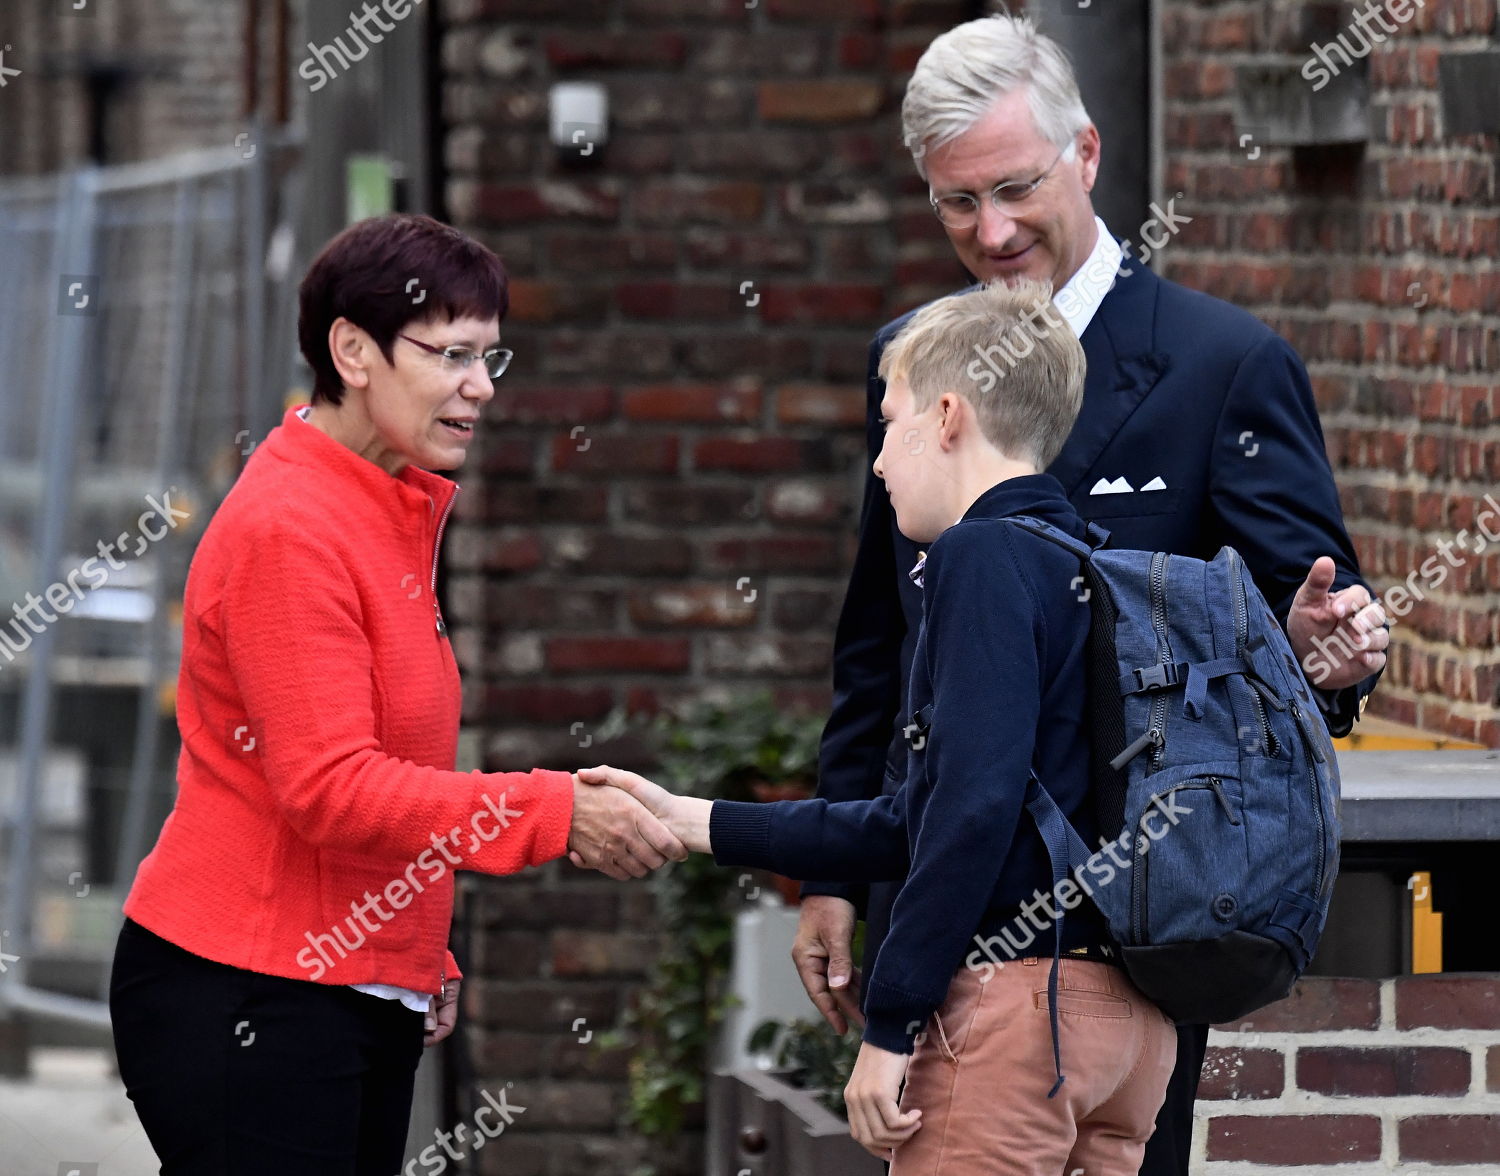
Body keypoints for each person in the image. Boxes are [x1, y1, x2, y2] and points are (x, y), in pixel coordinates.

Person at [794, 14, 1389, 1176]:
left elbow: (1299, 628)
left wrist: (1324, 654)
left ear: (1088, 154)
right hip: (940, 922)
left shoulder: (1225, 366)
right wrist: (829, 879)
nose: (993, 231)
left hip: (1139, 938)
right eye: (956, 204)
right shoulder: (911, 357)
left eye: (1015, 189)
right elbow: (876, 645)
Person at [108, 213, 686, 1175]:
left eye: (491, 355)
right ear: (352, 350)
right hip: (249, 991)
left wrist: (415, 949)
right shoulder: (294, 527)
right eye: (452, 353)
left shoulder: (380, 503)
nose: (482, 386)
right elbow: (330, 788)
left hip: (335, 985)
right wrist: (553, 812)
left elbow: (388, 774)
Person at [582, 279, 1178, 1174]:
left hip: (1014, 1022)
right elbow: (932, 815)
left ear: (947, 417)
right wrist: (691, 822)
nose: (877, 462)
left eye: (889, 424)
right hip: (1125, 1029)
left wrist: (894, 1021)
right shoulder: (1094, 562)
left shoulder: (979, 556)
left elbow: (966, 814)